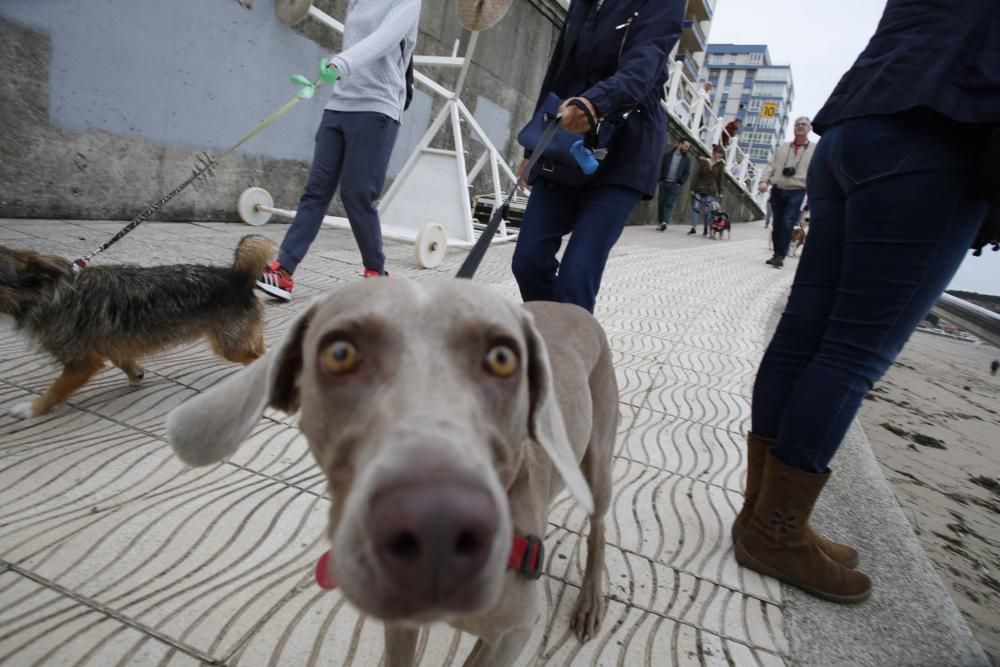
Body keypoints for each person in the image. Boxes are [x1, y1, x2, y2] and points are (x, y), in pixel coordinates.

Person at [735, 0, 999, 605]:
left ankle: (761, 515)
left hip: (855, 126)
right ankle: (776, 533)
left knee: (805, 332)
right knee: (854, 351)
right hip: (941, 132)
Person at [510, 0, 684, 313]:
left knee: (576, 278)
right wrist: (533, 149)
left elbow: (645, 63)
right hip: (566, 141)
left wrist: (597, 102)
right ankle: (561, 339)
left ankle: (567, 353)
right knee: (528, 260)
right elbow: (558, 75)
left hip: (627, 149)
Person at [256, 0, 422, 301]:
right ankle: (284, 272)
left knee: (357, 193)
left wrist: (342, 63)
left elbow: (384, 39)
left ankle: (376, 272)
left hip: (378, 106)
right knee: (315, 191)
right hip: (340, 104)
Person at [758, 117, 815, 268]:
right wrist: (764, 181)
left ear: (809, 129)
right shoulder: (782, 147)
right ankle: (777, 253)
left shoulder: (814, 149)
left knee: (787, 221)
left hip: (798, 190)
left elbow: (818, 171)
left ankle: (780, 256)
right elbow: (770, 166)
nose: (800, 127)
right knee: (777, 223)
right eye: (797, 125)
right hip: (778, 189)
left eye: (804, 125)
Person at [687, 145, 725, 236]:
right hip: (699, 188)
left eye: (721, 154)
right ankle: (693, 228)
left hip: (711, 191)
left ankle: (706, 228)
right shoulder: (704, 162)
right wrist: (692, 188)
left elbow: (721, 180)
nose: (720, 155)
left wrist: (721, 192)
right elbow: (697, 175)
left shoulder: (720, 165)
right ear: (714, 153)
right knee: (695, 208)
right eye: (719, 153)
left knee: (707, 211)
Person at [657, 139, 692, 230]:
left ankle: (665, 222)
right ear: (679, 144)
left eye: (688, 147)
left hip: (675, 185)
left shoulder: (687, 160)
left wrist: (680, 182)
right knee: (661, 203)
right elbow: (660, 166)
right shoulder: (667, 155)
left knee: (669, 203)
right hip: (664, 182)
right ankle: (661, 222)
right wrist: (660, 179)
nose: (686, 149)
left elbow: (686, 173)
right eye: (685, 146)